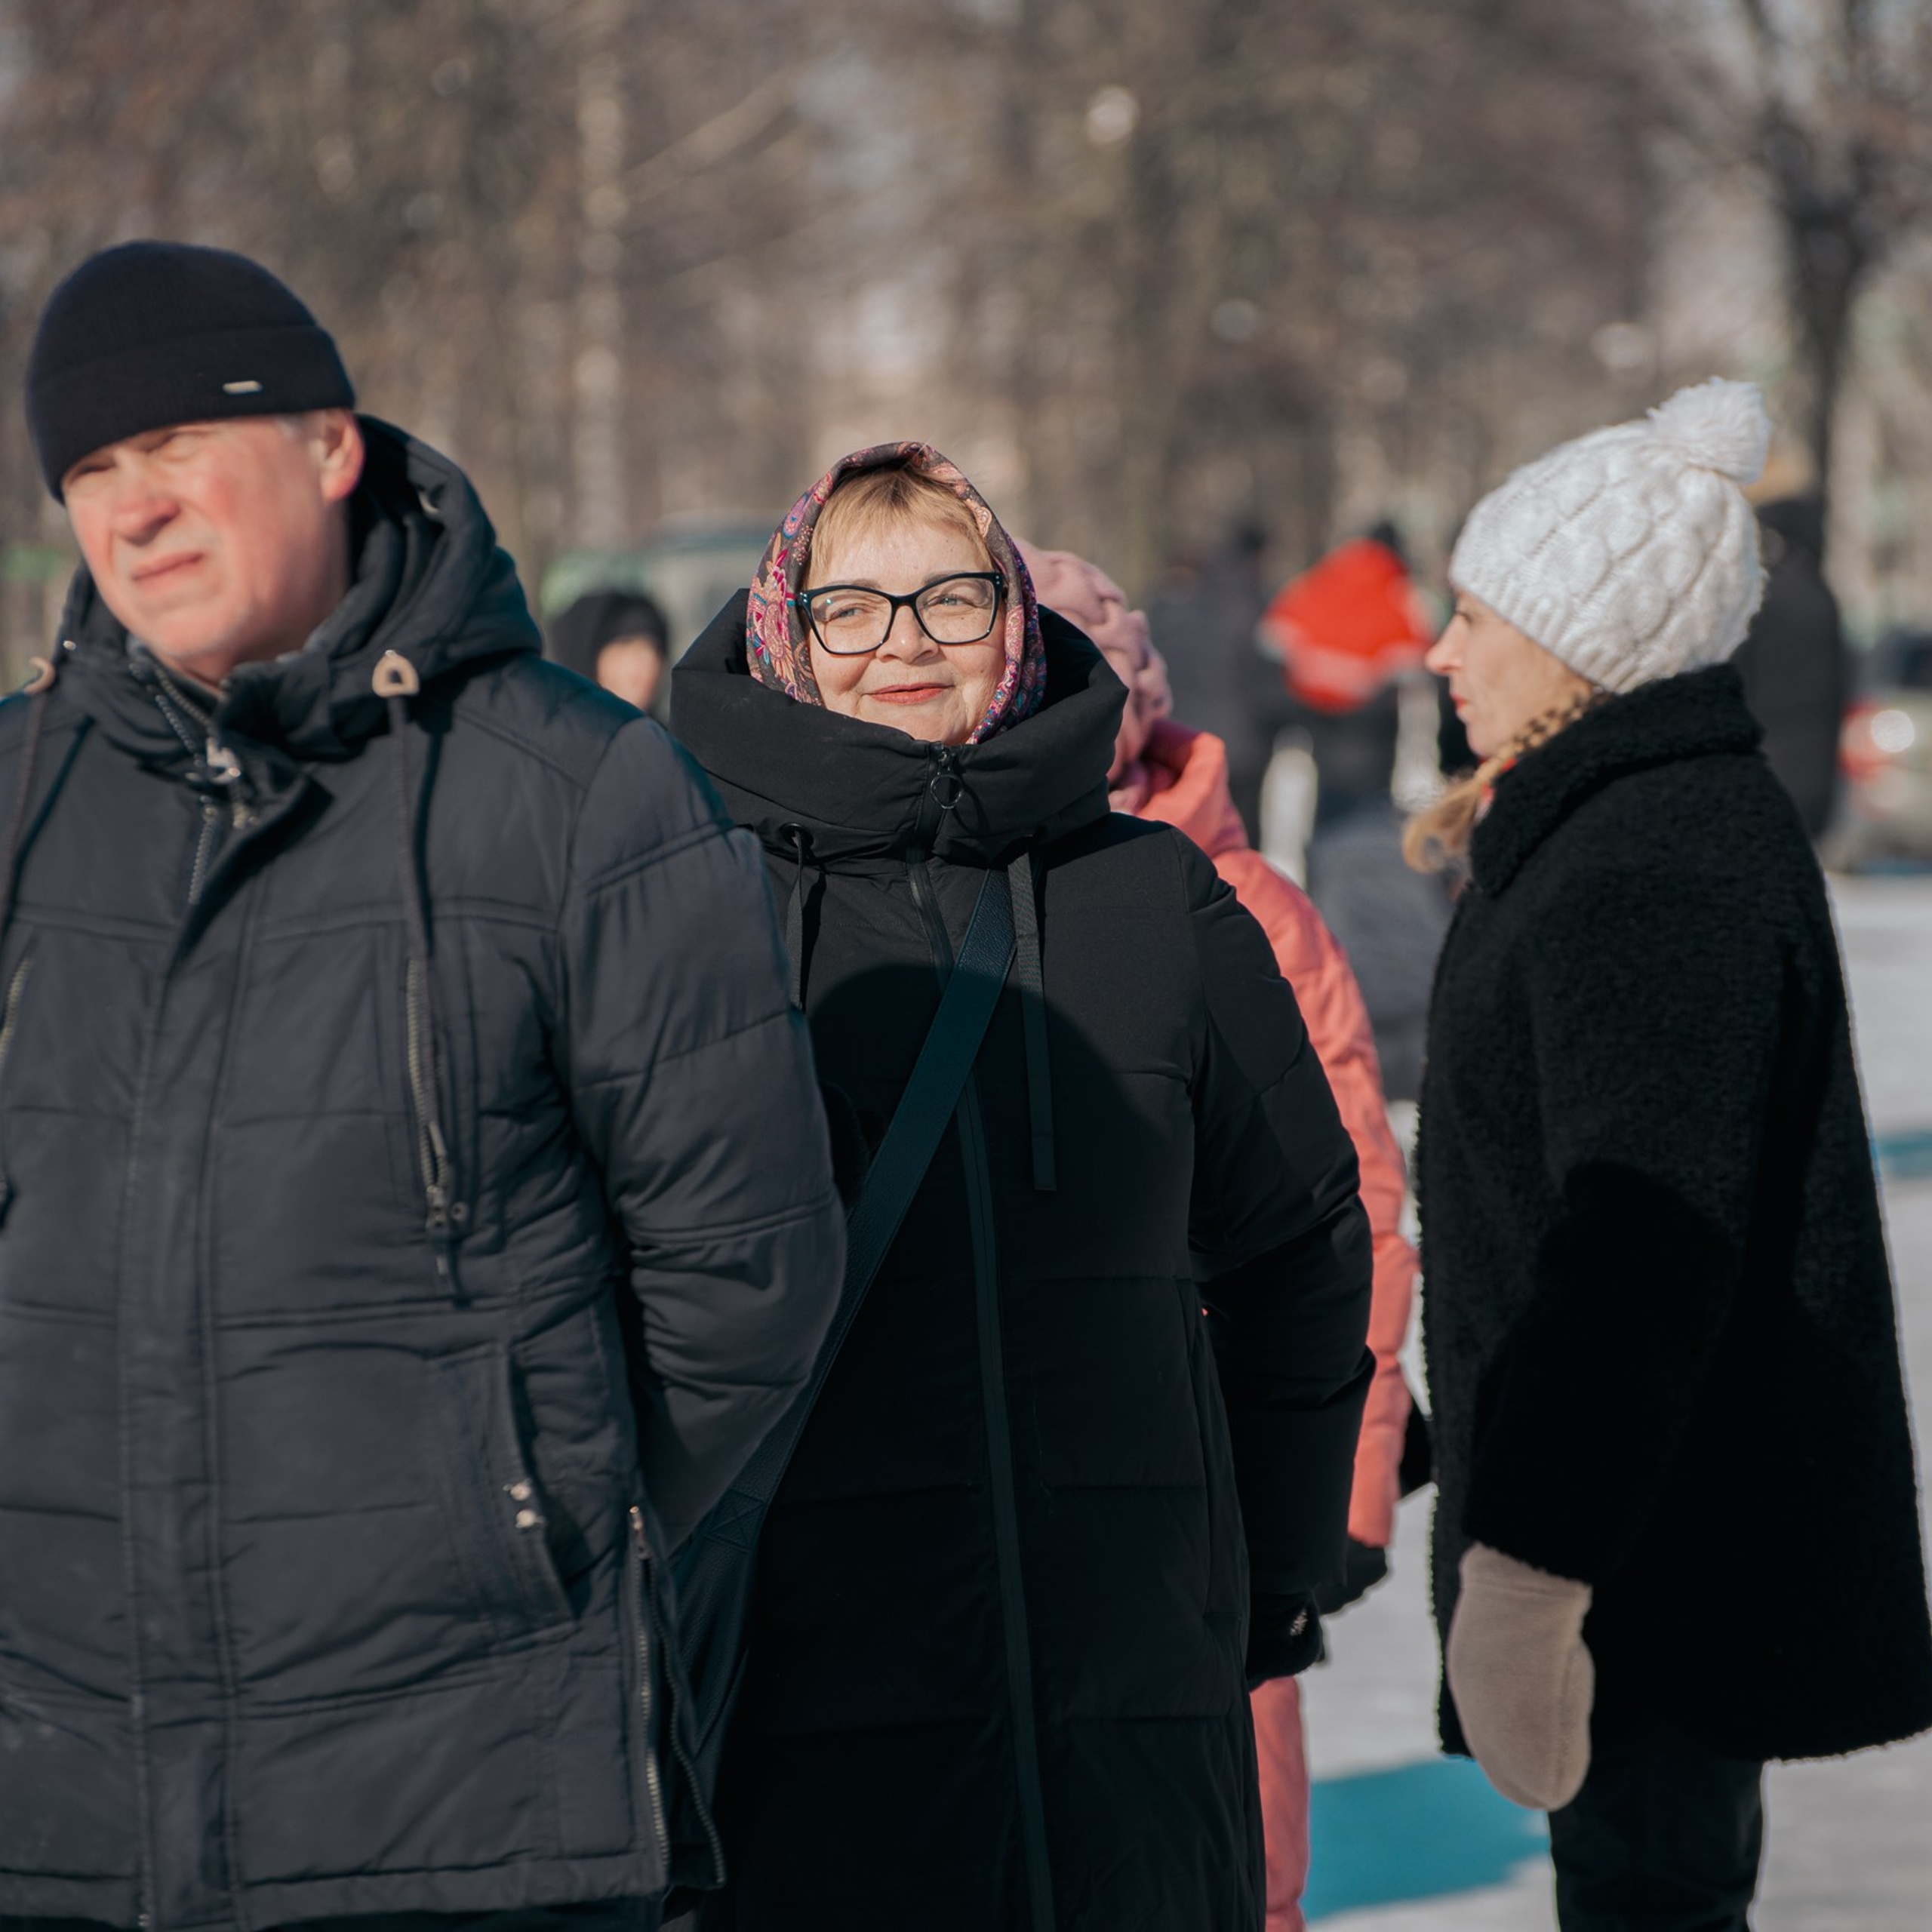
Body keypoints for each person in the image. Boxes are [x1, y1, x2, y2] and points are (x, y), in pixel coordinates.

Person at [0, 242, 844, 1932]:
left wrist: (530, 1541)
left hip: (466, 1801)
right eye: (90, 470)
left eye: (175, 448)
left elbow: (741, 1279)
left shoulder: (580, 791)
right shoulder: (16, 797)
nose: (133, 510)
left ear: (327, 445)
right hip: (59, 1804)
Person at [670, 444, 1375, 1931]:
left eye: (949, 594)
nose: (907, 640)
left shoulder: (1151, 898)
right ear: (783, 630)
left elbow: (1299, 1245)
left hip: (1125, 1693)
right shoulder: (691, 907)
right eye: (853, 605)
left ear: (1014, 618)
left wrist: (1261, 1560)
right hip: (807, 1700)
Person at [1406, 378, 1932, 1930]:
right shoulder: (1617, 821)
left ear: (1576, 641)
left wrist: (1529, 1570)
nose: (1438, 652)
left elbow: (1640, 1246)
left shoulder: (1647, 857)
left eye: (1473, 616)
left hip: (1648, 1571)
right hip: (1648, 1547)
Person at [1021, 542, 1419, 1932]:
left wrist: (1344, 1492)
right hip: (1031, 1503)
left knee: (1238, 1872)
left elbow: (1351, 1213)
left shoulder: (1246, 909)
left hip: (1229, 1490)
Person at [1730, 494, 1849, 840]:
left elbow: (1739, 672)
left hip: (1767, 749)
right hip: (1819, 754)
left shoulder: (1762, 594)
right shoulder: (1819, 593)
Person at [552, 584, 674, 715]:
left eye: (657, 649)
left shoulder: (668, 733)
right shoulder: (550, 732)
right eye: (627, 643)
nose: (650, 661)